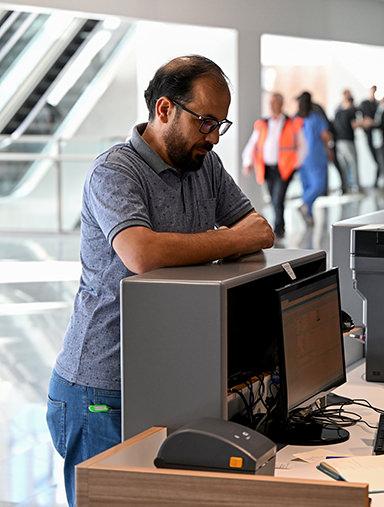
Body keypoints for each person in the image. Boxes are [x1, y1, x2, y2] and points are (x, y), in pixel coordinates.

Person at [46, 55, 274, 506]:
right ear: (165, 109)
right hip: (102, 386)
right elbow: (141, 253)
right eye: (206, 121)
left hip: (169, 377)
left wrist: (221, 239)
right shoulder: (116, 170)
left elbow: (261, 231)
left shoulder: (204, 165)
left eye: (220, 125)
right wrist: (226, 239)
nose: (213, 137)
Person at [242, 92, 305, 239]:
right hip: (267, 168)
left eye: (275, 102)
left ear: (281, 104)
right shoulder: (262, 123)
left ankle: (279, 229)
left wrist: (297, 163)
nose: (272, 105)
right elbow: (253, 143)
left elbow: (302, 145)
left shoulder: (292, 123)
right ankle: (279, 226)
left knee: (278, 198)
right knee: (273, 198)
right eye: (270, 102)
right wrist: (247, 162)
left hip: (285, 168)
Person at [295, 91, 331, 226]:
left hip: (300, 158)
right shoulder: (316, 118)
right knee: (319, 186)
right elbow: (325, 136)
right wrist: (329, 149)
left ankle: (308, 214)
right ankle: (305, 203)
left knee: (307, 185)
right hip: (315, 156)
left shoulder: (296, 120)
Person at [333, 89, 361, 192]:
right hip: (348, 141)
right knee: (353, 164)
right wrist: (365, 123)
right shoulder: (350, 111)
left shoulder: (337, 111)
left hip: (339, 142)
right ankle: (355, 186)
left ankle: (345, 187)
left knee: (344, 166)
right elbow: (354, 125)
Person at [359, 85, 379, 175]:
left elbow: (377, 120)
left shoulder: (377, 104)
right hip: (368, 133)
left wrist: (372, 122)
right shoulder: (364, 103)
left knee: (379, 156)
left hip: (377, 133)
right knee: (375, 156)